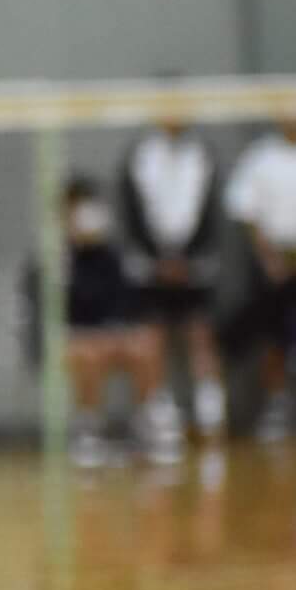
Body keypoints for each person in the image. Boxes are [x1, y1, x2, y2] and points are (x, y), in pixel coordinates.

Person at [119, 111, 229, 446]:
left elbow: (210, 208)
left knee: (200, 334)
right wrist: (158, 260)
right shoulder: (140, 155)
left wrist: (188, 259)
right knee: (153, 338)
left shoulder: (202, 154)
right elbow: (132, 209)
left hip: (194, 265)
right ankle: (158, 416)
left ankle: (211, 417)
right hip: (152, 266)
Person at [224, 113, 296, 442]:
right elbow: (246, 210)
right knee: (272, 337)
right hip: (274, 259)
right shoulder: (260, 157)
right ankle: (275, 404)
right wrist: (270, 258)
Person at [57, 175, 168, 469]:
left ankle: (147, 423)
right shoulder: (59, 257)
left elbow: (129, 300)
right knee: (89, 352)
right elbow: (65, 310)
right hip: (78, 336)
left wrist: (121, 329)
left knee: (147, 343)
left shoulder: (113, 254)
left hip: (113, 333)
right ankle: (88, 429)